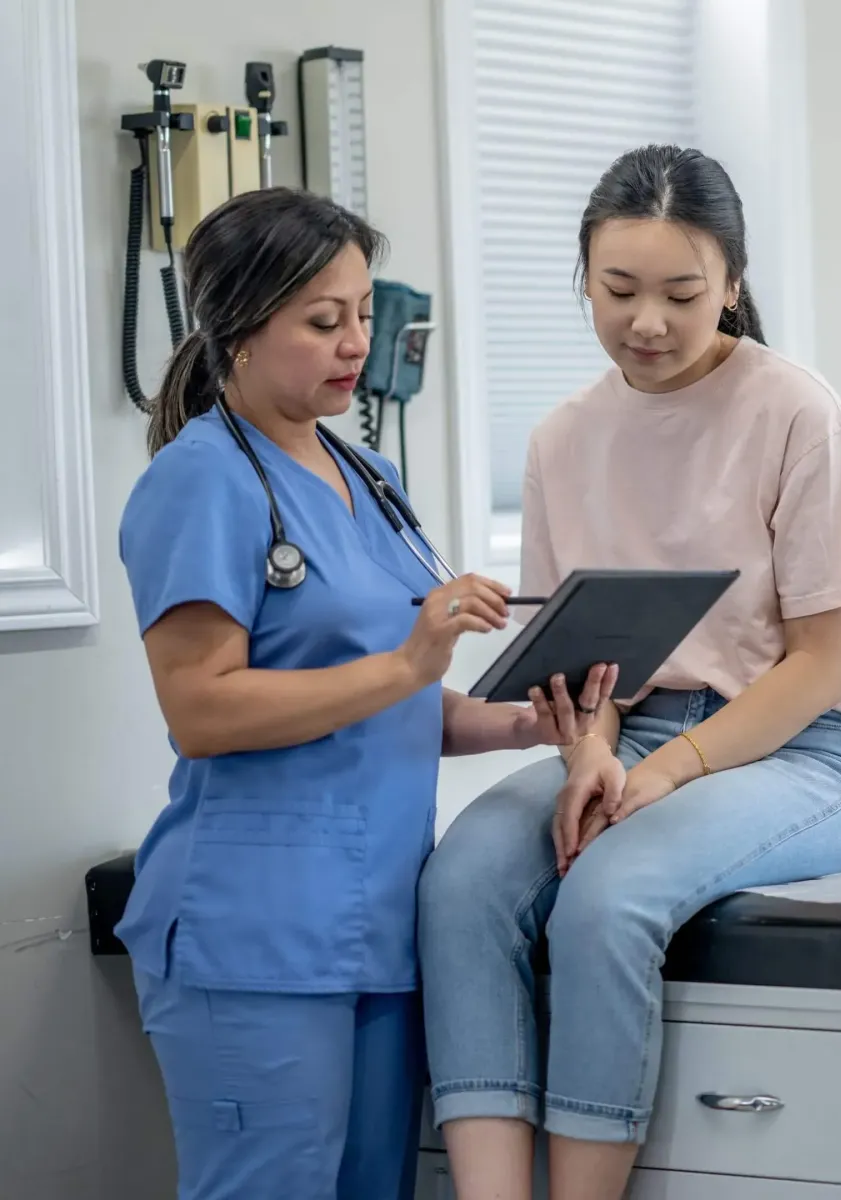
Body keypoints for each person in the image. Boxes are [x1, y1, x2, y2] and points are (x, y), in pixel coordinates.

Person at [417, 144, 841, 1200]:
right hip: (622, 733)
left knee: (607, 893)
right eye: (618, 290)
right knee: (459, 883)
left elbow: (825, 664)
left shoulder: (797, 414)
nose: (647, 322)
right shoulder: (562, 437)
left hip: (806, 748)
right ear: (582, 279)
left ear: (731, 283)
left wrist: (666, 771)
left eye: (683, 294)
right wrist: (590, 749)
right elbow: (581, 657)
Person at [115, 186, 616, 1200]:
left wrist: (529, 722)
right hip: (253, 939)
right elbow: (201, 710)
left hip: (380, 929)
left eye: (361, 312)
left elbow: (399, 711)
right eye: (322, 320)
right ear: (241, 330)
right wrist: (404, 663)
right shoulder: (203, 479)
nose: (355, 341)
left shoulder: (371, 474)